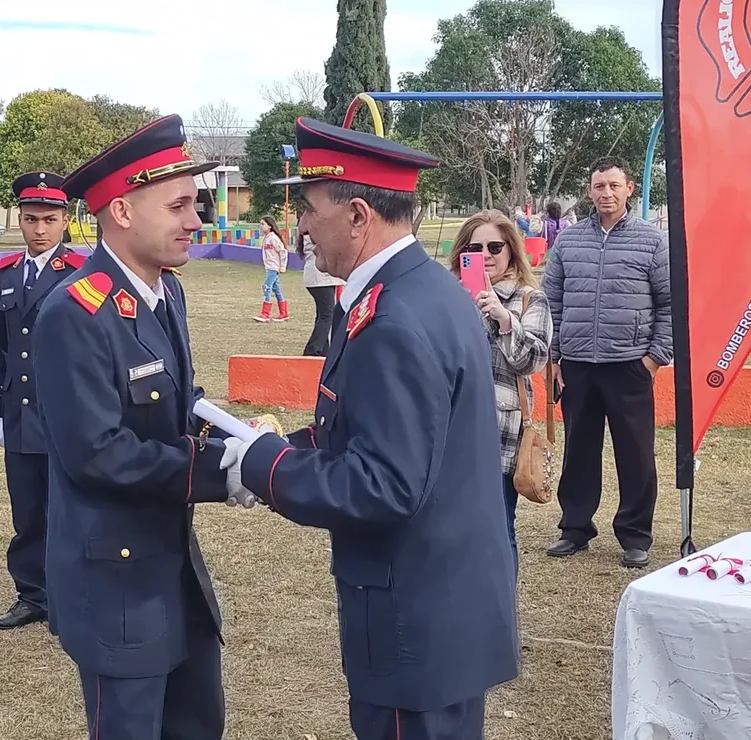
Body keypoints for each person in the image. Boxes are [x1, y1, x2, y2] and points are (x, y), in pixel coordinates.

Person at [220, 117, 519, 740]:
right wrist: (273, 447)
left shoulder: (393, 318)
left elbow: (383, 483)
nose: (301, 223)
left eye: (309, 207)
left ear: (358, 215)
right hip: (445, 608)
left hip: (413, 617)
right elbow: (376, 432)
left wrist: (262, 466)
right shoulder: (426, 290)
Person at [33, 114, 233, 740]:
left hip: (171, 565)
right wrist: (223, 474)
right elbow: (98, 453)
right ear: (121, 211)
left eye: (194, 206)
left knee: (197, 724)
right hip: (114, 580)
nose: (195, 221)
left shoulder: (164, 293)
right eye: (178, 206)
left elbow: (181, 404)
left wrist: (236, 438)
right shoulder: (76, 311)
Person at [543, 156, 671, 569]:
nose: (607, 193)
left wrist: (654, 359)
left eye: (614, 185)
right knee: (579, 449)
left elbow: (671, 305)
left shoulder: (652, 241)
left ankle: (635, 535)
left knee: (635, 454)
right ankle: (575, 528)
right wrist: (554, 355)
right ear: (589, 190)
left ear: (629, 188)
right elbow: (552, 302)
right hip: (578, 362)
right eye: (599, 186)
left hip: (629, 364)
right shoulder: (568, 241)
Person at [0, 171, 84, 630]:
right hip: (20, 413)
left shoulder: (81, 275)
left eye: (48, 219)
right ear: (18, 220)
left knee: (68, 510)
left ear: (65, 221)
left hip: (63, 416)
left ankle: (72, 597)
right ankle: (33, 595)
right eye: (30, 219)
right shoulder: (7, 274)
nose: (39, 229)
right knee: (27, 511)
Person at [449, 210, 553, 578]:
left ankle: (499, 614)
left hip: (499, 432)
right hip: (448, 430)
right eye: (474, 248)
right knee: (448, 529)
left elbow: (532, 361)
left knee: (496, 527)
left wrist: (503, 319)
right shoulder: (447, 297)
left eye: (495, 246)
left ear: (511, 251)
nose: (486, 255)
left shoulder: (528, 299)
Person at [299, 226, 344, 356]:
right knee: (327, 315)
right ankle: (313, 349)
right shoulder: (315, 233)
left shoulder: (311, 233)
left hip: (320, 278)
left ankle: (324, 349)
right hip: (320, 278)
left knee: (323, 314)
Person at [252, 215, 289, 323]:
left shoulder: (273, 238)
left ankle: (265, 314)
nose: (261, 226)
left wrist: (282, 266)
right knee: (276, 290)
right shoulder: (266, 238)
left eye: (263, 224)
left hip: (274, 267)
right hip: (269, 267)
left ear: (270, 226)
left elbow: (283, 252)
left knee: (266, 287)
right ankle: (283, 313)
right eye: (260, 224)